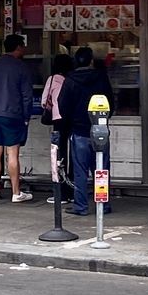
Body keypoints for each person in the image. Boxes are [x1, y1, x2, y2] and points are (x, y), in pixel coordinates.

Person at [57, 46, 114, 216]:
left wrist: (70, 122)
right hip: (101, 129)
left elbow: (62, 106)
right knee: (101, 169)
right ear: (91, 61)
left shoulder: (70, 80)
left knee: (80, 171)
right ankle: (103, 205)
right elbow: (111, 101)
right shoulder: (101, 78)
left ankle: (81, 206)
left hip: (79, 131)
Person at [0, 34, 33, 203]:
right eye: (23, 46)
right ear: (18, 47)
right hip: (12, 114)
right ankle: (16, 192)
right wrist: (26, 116)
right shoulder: (21, 67)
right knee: (12, 153)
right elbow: (27, 95)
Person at [41, 52, 74, 204]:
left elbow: (44, 101)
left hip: (58, 120)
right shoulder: (73, 79)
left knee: (58, 155)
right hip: (72, 120)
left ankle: (61, 193)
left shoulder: (53, 79)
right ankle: (73, 191)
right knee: (72, 155)